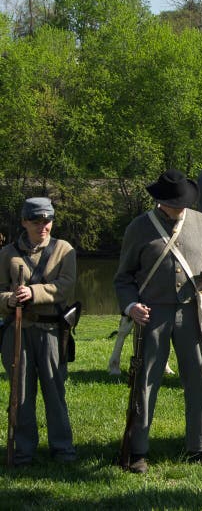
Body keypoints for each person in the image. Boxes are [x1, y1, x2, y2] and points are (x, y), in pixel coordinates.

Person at [114, 169, 202, 474]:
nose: (180, 208)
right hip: (152, 313)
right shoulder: (138, 228)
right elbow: (123, 278)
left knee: (198, 379)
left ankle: (200, 447)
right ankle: (137, 450)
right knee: (146, 382)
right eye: (175, 203)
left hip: (192, 310)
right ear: (160, 201)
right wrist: (131, 305)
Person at [0, 198, 77, 465]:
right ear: (24, 222)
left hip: (52, 331)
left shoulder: (64, 250)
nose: (43, 226)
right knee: (20, 394)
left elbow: (65, 286)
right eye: (36, 221)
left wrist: (33, 292)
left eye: (47, 221)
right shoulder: (7, 253)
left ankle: (63, 449)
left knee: (54, 392)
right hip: (17, 331)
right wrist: (8, 300)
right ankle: (23, 450)